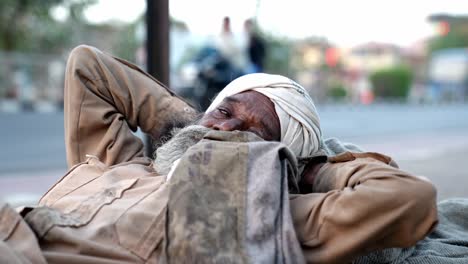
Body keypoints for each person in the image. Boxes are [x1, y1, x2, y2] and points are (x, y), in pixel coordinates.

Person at [0, 45, 464, 264]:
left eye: (249, 130)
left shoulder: (262, 213)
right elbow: (88, 68)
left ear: (276, 163)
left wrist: (314, 168)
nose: (224, 127)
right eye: (225, 110)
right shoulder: (127, 164)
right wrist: (192, 124)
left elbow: (407, 199)